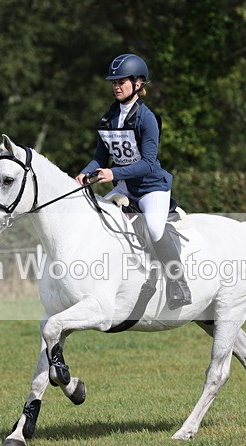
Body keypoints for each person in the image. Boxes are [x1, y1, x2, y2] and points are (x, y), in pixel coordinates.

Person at [74, 53, 191, 310]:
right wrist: (84, 174)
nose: (116, 86)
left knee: (155, 229)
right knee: (97, 221)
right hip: (125, 188)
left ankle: (178, 283)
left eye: (122, 81)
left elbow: (149, 163)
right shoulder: (108, 118)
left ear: (138, 84)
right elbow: (99, 158)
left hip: (151, 188)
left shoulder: (147, 118)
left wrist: (112, 174)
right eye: (114, 82)